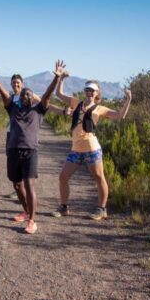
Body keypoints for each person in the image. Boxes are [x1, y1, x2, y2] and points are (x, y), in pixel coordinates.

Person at [0, 59, 66, 234]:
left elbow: (47, 95)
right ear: (20, 98)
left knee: (29, 184)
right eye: (23, 95)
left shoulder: (39, 110)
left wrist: (56, 78)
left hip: (30, 151)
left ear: (33, 98)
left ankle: (32, 221)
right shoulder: (13, 108)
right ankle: (26, 210)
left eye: (29, 94)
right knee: (16, 184)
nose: (26, 96)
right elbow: (1, 92)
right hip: (13, 150)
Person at [53, 74, 132, 220]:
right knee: (63, 176)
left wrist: (128, 99)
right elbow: (58, 94)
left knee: (99, 177)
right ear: (84, 91)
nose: (89, 93)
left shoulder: (100, 108)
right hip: (76, 148)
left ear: (97, 93)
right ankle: (63, 207)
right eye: (87, 90)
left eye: (92, 91)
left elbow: (120, 116)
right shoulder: (76, 102)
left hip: (92, 148)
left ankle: (101, 209)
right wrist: (61, 79)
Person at [0, 70, 41, 199]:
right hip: (12, 133)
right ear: (11, 84)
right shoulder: (9, 97)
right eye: (14, 82)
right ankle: (19, 188)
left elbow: (43, 103)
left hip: (26, 136)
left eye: (18, 82)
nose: (16, 85)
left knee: (27, 166)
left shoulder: (30, 96)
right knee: (13, 161)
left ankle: (27, 191)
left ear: (22, 84)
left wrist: (64, 111)